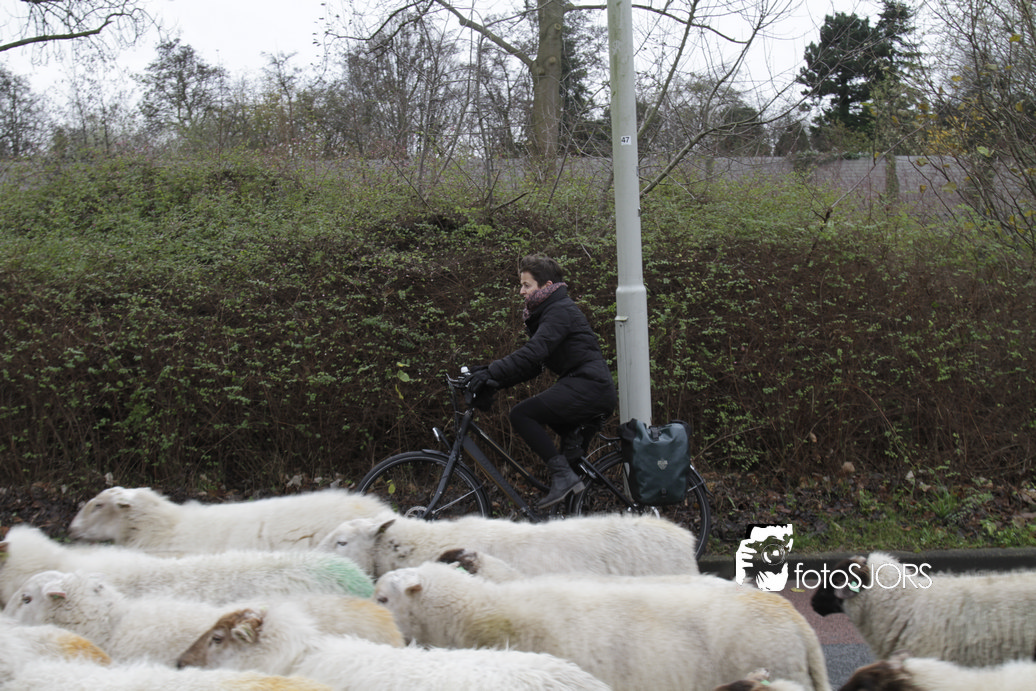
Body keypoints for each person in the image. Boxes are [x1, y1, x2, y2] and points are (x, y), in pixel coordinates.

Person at [464, 254, 618, 509]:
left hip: (589, 387)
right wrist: (492, 379)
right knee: (570, 482)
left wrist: (491, 371)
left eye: (526, 285)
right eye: (521, 285)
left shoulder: (560, 311)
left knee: (522, 414)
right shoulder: (549, 311)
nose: (521, 291)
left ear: (546, 286)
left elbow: (534, 352)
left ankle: (564, 477)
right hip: (584, 386)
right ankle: (570, 503)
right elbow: (534, 366)